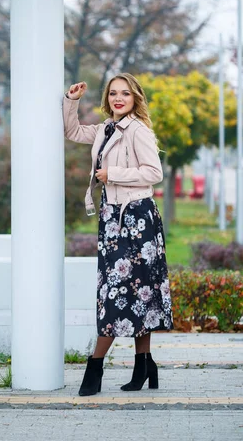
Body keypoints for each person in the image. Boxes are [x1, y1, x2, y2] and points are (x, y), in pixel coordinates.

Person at [63, 73, 173, 396]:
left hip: (138, 220)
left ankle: (94, 366)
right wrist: (72, 101)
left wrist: (114, 175)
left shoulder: (138, 130)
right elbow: (72, 131)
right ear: (107, 98)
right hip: (112, 220)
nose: (118, 99)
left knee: (122, 294)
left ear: (135, 98)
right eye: (113, 94)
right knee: (132, 293)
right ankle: (144, 363)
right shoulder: (105, 130)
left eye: (125, 93)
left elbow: (155, 173)